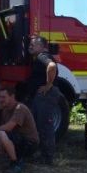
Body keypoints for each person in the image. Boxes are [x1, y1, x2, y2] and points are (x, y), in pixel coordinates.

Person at [0, 86, 39, 173]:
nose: (0, 100)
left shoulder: (20, 108)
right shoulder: (5, 110)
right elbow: (3, 129)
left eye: (3, 97)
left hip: (29, 143)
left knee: (1, 133)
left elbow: (8, 127)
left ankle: (15, 163)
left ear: (12, 96)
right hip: (17, 139)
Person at [25, 35, 61, 164]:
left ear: (41, 46)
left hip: (46, 95)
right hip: (42, 96)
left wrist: (48, 85)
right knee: (40, 125)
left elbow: (52, 66)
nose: (30, 46)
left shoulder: (42, 56)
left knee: (45, 126)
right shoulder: (39, 57)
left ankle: (47, 157)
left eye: (33, 44)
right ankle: (43, 154)